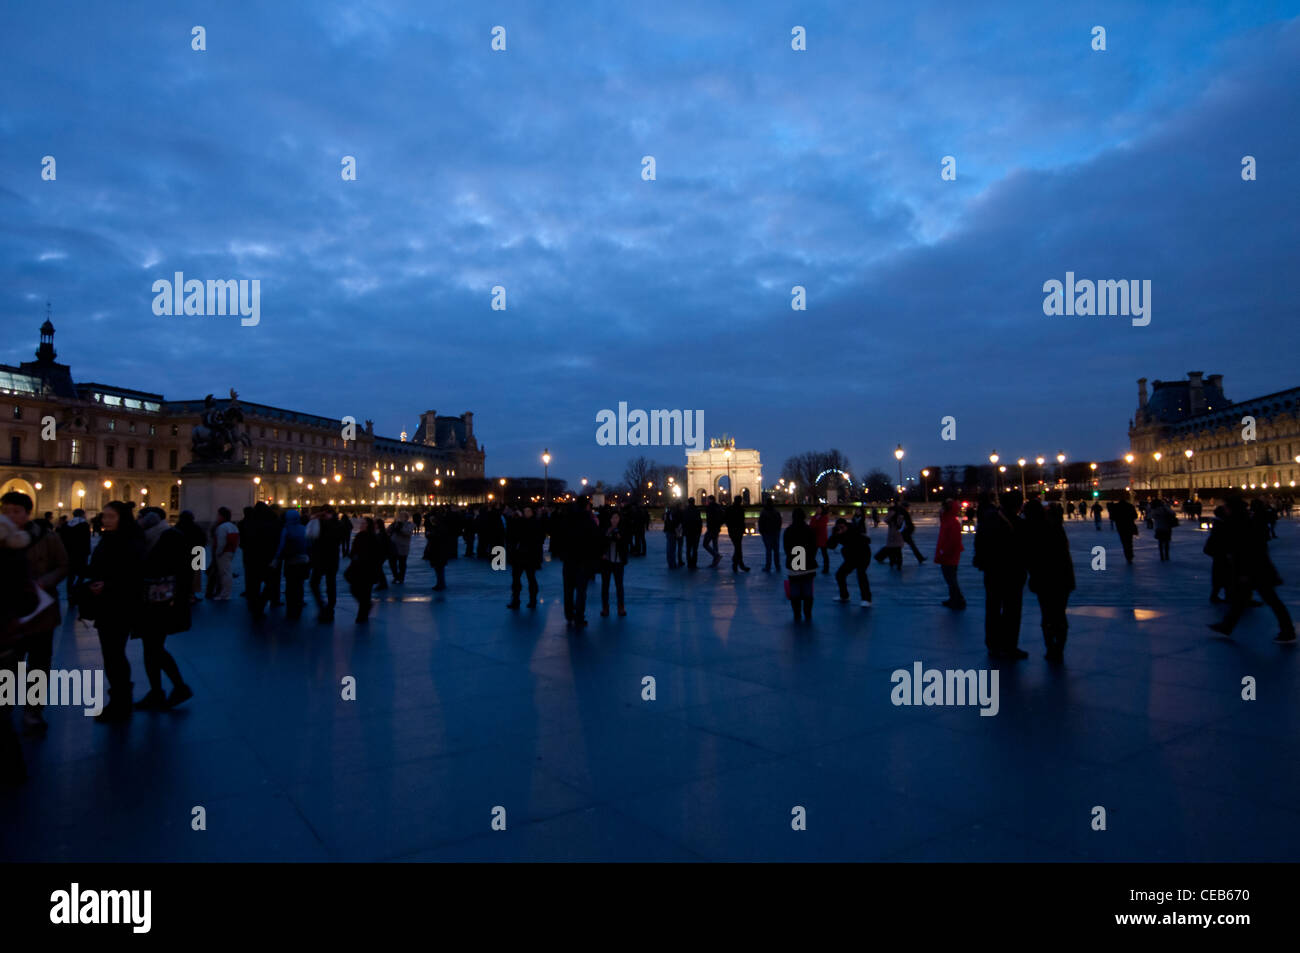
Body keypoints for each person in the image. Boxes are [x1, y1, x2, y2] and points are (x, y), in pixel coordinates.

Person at [0, 491, 67, 737]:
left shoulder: (48, 538)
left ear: (27, 514)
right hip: (10, 614)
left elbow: (62, 565)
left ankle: (33, 709)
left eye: (16, 511)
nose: (10, 516)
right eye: (6, 510)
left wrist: (44, 581)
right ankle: (5, 706)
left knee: (38, 664)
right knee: (8, 666)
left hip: (40, 611)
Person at [82, 501, 145, 721]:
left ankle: (120, 701)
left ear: (122, 518)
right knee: (112, 654)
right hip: (107, 604)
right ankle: (120, 698)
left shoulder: (130, 542)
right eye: (104, 516)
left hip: (120, 606)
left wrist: (107, 585)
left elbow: (135, 576)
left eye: (110, 516)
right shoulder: (111, 538)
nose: (105, 520)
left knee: (114, 654)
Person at [1209, 495, 1296, 644]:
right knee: (1244, 601)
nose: (1224, 509)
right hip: (1256, 568)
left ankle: (1288, 630)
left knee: (1267, 600)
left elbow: (1245, 550)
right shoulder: (1246, 521)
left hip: (1252, 570)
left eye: (1226, 506)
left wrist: (1242, 571)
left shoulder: (1239, 524)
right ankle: (1227, 626)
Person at [132, 508, 194, 709]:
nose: (137, 521)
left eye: (140, 518)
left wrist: (182, 597)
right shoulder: (149, 537)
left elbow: (185, 569)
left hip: (163, 601)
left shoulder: (169, 537)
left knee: (153, 647)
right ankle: (159, 690)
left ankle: (176, 687)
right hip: (151, 600)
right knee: (151, 647)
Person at [973, 490, 1029, 660]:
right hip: (1011, 573)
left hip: (991, 572)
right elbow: (1024, 550)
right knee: (1012, 611)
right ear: (1017, 505)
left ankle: (992, 644)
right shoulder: (1017, 523)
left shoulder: (988, 519)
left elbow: (979, 543)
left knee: (992, 608)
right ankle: (1009, 645)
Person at [1024, 500, 1075, 662]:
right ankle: (1058, 646)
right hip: (1062, 578)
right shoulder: (1055, 528)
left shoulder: (1033, 531)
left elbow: (1031, 558)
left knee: (1047, 615)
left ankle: (1051, 646)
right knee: (1059, 614)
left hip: (1043, 580)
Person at [557, 498, 600, 628]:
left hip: (569, 560)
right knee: (581, 591)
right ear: (586, 506)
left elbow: (559, 537)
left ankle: (569, 614)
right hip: (583, 561)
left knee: (568, 590)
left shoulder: (567, 519)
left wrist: (563, 555)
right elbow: (595, 540)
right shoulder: (588, 521)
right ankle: (579, 617)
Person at [309, 506, 347, 622]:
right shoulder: (338, 524)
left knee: (315, 583)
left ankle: (324, 607)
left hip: (321, 558)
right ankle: (329, 608)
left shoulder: (323, 524)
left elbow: (312, 535)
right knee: (330, 584)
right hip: (332, 558)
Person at [273, 508, 311, 619]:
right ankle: (298, 607)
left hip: (291, 561)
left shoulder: (286, 529)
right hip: (303, 561)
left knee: (290, 586)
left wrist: (277, 558)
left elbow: (281, 546)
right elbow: (309, 544)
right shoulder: (304, 529)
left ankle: (291, 610)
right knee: (300, 585)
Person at [783, 507, 817, 622]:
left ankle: (797, 614)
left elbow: (786, 548)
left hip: (794, 564)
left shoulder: (788, 531)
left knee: (795, 592)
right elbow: (814, 547)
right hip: (808, 565)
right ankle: (807, 613)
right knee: (808, 591)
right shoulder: (810, 530)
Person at [827, 517, 871, 606]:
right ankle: (844, 596)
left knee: (861, 575)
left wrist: (846, 536)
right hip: (851, 558)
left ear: (846, 526)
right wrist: (834, 535)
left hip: (863, 555)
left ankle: (866, 599)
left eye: (843, 527)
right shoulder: (838, 533)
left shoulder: (854, 530)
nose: (841, 529)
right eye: (839, 527)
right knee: (840, 575)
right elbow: (830, 546)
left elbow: (867, 540)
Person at [506, 506, 544, 609]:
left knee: (529, 579)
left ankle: (530, 600)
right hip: (522, 555)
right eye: (525, 511)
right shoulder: (530, 523)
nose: (526, 512)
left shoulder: (532, 523)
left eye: (528, 511)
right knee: (518, 579)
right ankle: (518, 600)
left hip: (528, 555)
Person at [345, 517, 381, 622]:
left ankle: (362, 615)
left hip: (367, 569)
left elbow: (376, 554)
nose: (361, 525)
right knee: (360, 591)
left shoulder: (372, 538)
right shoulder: (361, 536)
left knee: (364, 592)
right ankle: (365, 610)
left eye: (364, 523)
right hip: (360, 568)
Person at [934, 498, 967, 609]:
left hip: (949, 554)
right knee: (950, 578)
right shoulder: (948, 521)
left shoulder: (952, 522)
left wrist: (944, 551)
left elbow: (953, 541)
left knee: (951, 578)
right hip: (948, 553)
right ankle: (954, 598)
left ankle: (958, 599)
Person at [57, 507, 91, 608]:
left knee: (70, 575)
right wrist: (87, 552)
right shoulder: (84, 525)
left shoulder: (67, 524)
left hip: (69, 554)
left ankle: (70, 593)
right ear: (82, 514)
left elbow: (62, 539)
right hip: (81, 554)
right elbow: (86, 540)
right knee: (81, 574)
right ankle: (76, 591)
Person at [599, 510, 629, 617]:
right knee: (605, 586)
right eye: (613, 518)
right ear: (610, 519)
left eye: (617, 518)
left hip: (618, 561)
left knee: (619, 585)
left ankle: (621, 607)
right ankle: (605, 607)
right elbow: (601, 543)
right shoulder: (605, 530)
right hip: (607, 561)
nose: (615, 520)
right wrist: (608, 535)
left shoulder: (623, 530)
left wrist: (618, 537)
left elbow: (625, 544)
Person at [1204, 505, 1232, 602]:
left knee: (1220, 576)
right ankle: (1222, 596)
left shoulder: (1218, 524)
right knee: (1225, 575)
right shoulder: (1222, 525)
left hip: (1219, 554)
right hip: (1222, 554)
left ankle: (1217, 595)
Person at [211, 506, 240, 600]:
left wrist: (218, 552)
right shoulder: (233, 526)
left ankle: (225, 594)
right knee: (226, 573)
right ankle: (225, 593)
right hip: (230, 552)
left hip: (223, 553)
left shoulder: (222, 527)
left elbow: (221, 542)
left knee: (224, 574)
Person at [1108, 493, 1139, 563]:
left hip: (1120, 527)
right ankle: (1130, 555)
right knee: (1129, 541)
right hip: (1129, 526)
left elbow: (1112, 517)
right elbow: (1135, 516)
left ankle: (1127, 555)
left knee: (1124, 542)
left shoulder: (1116, 507)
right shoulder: (1130, 506)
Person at [873, 506, 905, 570]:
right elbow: (885, 520)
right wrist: (890, 515)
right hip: (891, 537)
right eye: (889, 511)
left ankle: (899, 564)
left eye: (890, 511)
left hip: (897, 537)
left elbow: (902, 525)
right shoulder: (890, 519)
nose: (889, 512)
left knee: (898, 552)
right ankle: (893, 563)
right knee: (892, 552)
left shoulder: (899, 517)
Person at [726, 497, 750, 572]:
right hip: (737, 531)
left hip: (733, 531)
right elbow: (742, 521)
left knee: (738, 548)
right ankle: (739, 564)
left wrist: (729, 527)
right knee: (738, 548)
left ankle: (736, 564)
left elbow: (726, 519)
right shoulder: (740, 509)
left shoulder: (730, 509)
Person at [388, 512, 413, 583]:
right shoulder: (395, 523)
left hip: (403, 547)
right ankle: (396, 576)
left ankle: (401, 577)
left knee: (402, 563)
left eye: (402, 516)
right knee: (392, 563)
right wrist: (393, 527)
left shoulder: (409, 524)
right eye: (399, 516)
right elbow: (388, 531)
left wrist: (400, 529)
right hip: (393, 546)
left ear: (406, 518)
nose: (400, 517)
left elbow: (408, 533)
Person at [758, 499, 783, 572]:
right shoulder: (776, 512)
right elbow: (779, 522)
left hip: (767, 534)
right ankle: (777, 566)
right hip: (775, 533)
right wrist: (778, 531)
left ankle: (768, 566)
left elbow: (760, 523)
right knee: (776, 551)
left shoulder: (763, 512)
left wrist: (762, 532)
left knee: (768, 551)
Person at [702, 495, 724, 567]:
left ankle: (716, 556)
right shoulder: (718, 507)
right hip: (717, 528)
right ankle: (715, 562)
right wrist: (719, 524)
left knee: (705, 544)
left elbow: (710, 518)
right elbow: (723, 516)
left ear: (711, 500)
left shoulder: (709, 507)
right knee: (715, 544)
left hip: (711, 528)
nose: (707, 501)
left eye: (708, 499)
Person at [682, 499, 703, 570]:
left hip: (688, 532)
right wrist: (700, 531)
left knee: (688, 549)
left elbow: (683, 522)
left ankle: (689, 563)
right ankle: (694, 563)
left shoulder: (685, 510)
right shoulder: (697, 510)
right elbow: (700, 522)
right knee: (695, 549)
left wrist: (684, 531)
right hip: (696, 532)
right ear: (694, 502)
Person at [810, 506, 830, 574]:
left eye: (819, 509)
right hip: (815, 538)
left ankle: (826, 568)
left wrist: (815, 524)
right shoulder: (814, 517)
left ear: (822, 510)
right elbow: (811, 525)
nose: (818, 510)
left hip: (822, 538)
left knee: (824, 554)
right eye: (817, 509)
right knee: (813, 555)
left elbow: (820, 526)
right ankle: (812, 568)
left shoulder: (824, 517)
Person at [663, 502, 682, 570]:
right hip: (671, 531)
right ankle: (672, 563)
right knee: (672, 548)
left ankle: (671, 563)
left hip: (669, 531)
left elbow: (665, 520)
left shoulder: (668, 513)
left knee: (670, 548)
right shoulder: (672, 513)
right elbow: (673, 522)